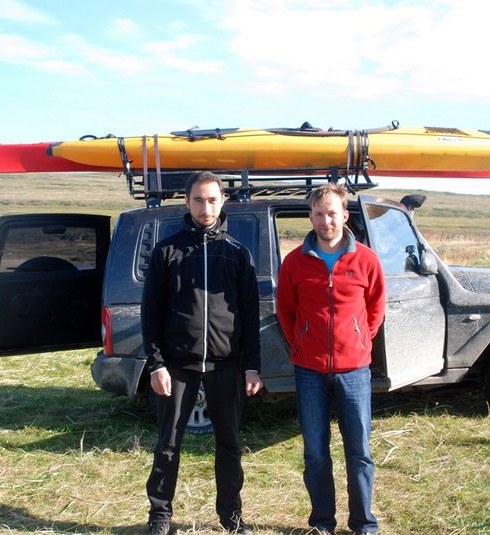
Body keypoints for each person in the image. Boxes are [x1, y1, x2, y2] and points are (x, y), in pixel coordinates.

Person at [142, 171, 263, 535]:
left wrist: (252, 367)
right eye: (198, 199)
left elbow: (250, 315)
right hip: (178, 364)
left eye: (212, 200)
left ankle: (231, 517)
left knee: (229, 445)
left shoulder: (237, 254)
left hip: (226, 364)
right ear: (187, 202)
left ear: (223, 201)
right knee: (168, 445)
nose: (205, 206)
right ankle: (160, 517)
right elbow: (150, 314)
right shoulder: (167, 251)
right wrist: (156, 364)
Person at [276, 183, 386, 535]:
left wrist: (357, 339)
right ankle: (322, 523)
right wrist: (303, 343)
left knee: (360, 452)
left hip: (354, 371)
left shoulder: (366, 259)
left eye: (332, 213)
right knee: (316, 453)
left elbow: (375, 308)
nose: (326, 221)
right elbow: (286, 312)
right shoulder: (294, 262)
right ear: (310, 216)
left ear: (345, 215)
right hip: (309, 371)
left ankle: (363, 523)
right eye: (319, 214)